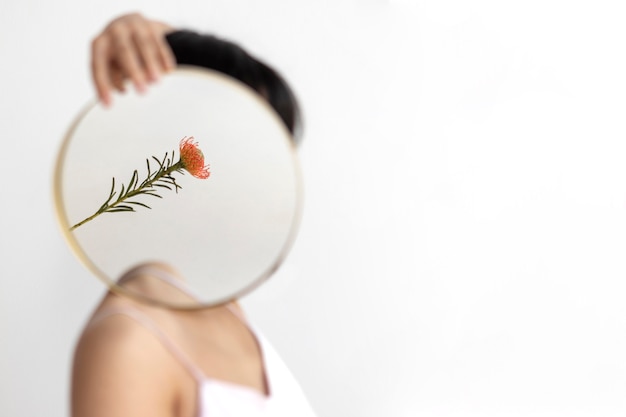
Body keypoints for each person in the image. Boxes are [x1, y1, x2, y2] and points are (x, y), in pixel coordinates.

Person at [71, 13, 315, 417]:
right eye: (246, 146)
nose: (274, 185)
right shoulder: (130, 343)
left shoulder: (224, 310)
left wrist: (148, 32)